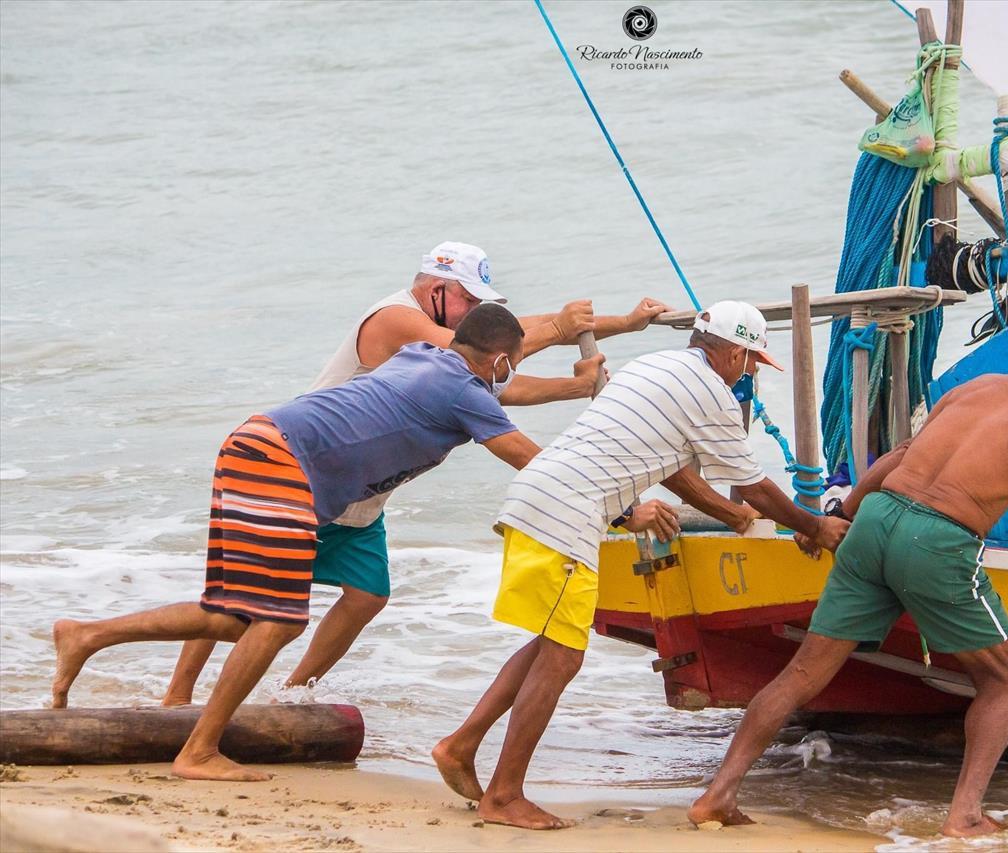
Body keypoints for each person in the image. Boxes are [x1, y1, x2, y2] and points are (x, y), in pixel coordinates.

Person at [161, 241, 671, 705]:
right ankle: (179, 696)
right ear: (437, 288)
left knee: (366, 596)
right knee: (244, 599)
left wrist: (618, 326)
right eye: (468, 300)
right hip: (308, 468)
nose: (474, 312)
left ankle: (291, 696)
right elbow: (487, 357)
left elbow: (498, 353)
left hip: (362, 490)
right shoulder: (398, 322)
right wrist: (562, 335)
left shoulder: (459, 353)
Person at [51, 305, 545, 782]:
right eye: (513, 365)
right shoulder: (462, 388)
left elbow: (484, 405)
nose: (509, 376)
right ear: (500, 360)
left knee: (237, 615)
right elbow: (529, 460)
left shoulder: (421, 356)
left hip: (256, 442)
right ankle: (198, 751)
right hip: (281, 462)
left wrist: (583, 383)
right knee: (279, 620)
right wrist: (613, 501)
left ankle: (88, 635)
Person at [433, 300, 852, 830]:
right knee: (562, 657)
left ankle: (460, 746)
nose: (747, 372)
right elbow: (755, 485)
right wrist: (814, 527)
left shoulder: (654, 366)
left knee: (548, 640)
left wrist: (730, 516)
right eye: (748, 361)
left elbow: (673, 467)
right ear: (733, 351)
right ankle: (504, 796)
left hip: (537, 497)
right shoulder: (712, 395)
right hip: (569, 514)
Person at [688, 344, 1008, 837]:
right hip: (938, 540)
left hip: (877, 517)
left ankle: (718, 795)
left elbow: (901, 456)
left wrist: (841, 514)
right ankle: (966, 816)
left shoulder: (979, 386)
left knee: (802, 672)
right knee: (1003, 681)